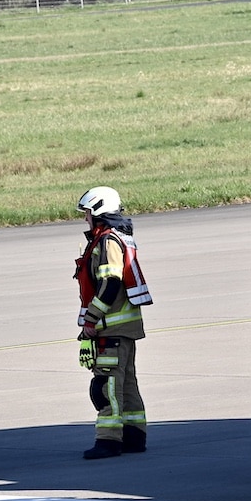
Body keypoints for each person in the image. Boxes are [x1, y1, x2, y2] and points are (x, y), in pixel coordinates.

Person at [74, 186, 153, 460]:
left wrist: (91, 320)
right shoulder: (118, 238)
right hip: (125, 330)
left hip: (111, 329)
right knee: (127, 384)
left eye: (87, 213)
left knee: (106, 386)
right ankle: (134, 436)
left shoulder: (107, 242)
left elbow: (110, 283)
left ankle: (108, 440)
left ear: (98, 211)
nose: (85, 218)